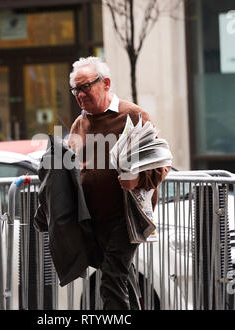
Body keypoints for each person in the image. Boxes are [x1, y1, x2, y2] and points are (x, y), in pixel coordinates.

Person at [68, 56, 170, 310]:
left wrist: (138, 179)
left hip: (127, 218)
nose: (80, 95)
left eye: (85, 87)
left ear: (105, 83)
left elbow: (162, 163)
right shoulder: (79, 124)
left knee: (110, 281)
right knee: (123, 280)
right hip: (95, 220)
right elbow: (72, 167)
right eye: (75, 89)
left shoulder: (133, 115)